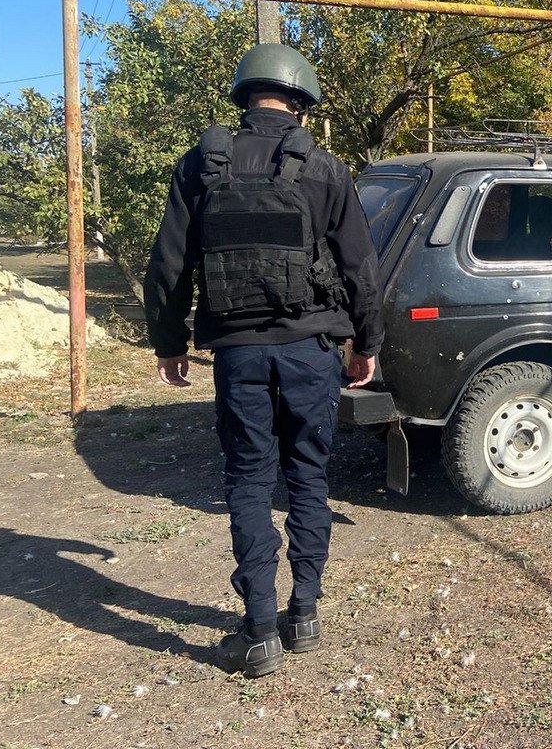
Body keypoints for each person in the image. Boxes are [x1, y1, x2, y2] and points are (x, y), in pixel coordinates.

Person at [144, 43, 384, 678]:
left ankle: (258, 633)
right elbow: (361, 267)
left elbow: (168, 264)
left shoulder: (201, 164)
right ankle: (303, 616)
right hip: (312, 351)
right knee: (308, 475)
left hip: (238, 353)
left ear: (243, 98)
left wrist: (169, 343)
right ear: (301, 104)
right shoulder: (325, 169)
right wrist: (367, 343)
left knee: (249, 480)